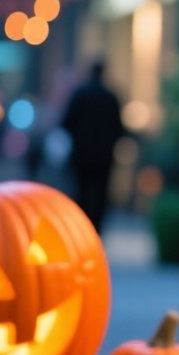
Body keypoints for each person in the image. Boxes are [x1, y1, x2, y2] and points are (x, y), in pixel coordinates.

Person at [60, 61, 125, 230]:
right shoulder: (111, 97)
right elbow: (119, 129)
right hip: (104, 157)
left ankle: (82, 227)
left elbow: (66, 122)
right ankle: (97, 229)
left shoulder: (80, 94)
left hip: (82, 156)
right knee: (101, 195)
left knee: (81, 192)